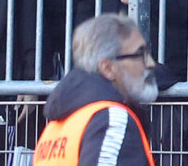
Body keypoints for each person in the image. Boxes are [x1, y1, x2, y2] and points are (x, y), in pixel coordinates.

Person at [32, 15, 158, 166]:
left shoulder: (58, 125)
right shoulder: (112, 120)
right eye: (139, 54)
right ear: (108, 68)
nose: (150, 63)